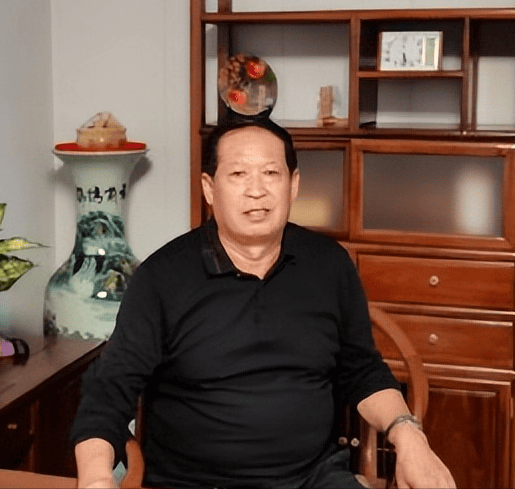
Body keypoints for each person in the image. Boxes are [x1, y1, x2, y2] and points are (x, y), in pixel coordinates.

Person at [71, 117, 455, 489]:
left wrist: (410, 436)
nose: (257, 190)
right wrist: (95, 477)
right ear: (209, 188)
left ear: (293, 184)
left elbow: (363, 371)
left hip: (313, 479)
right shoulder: (162, 277)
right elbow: (109, 390)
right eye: (238, 174)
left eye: (271, 173)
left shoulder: (329, 265)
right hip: (193, 482)